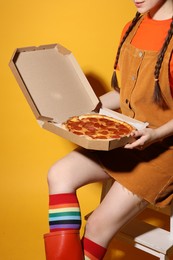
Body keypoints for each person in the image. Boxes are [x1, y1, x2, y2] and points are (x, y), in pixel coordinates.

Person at [44, 0, 173, 259]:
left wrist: (156, 134)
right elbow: (123, 93)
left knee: (96, 226)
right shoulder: (132, 27)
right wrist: (84, 109)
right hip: (126, 137)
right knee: (59, 174)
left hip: (163, 150)